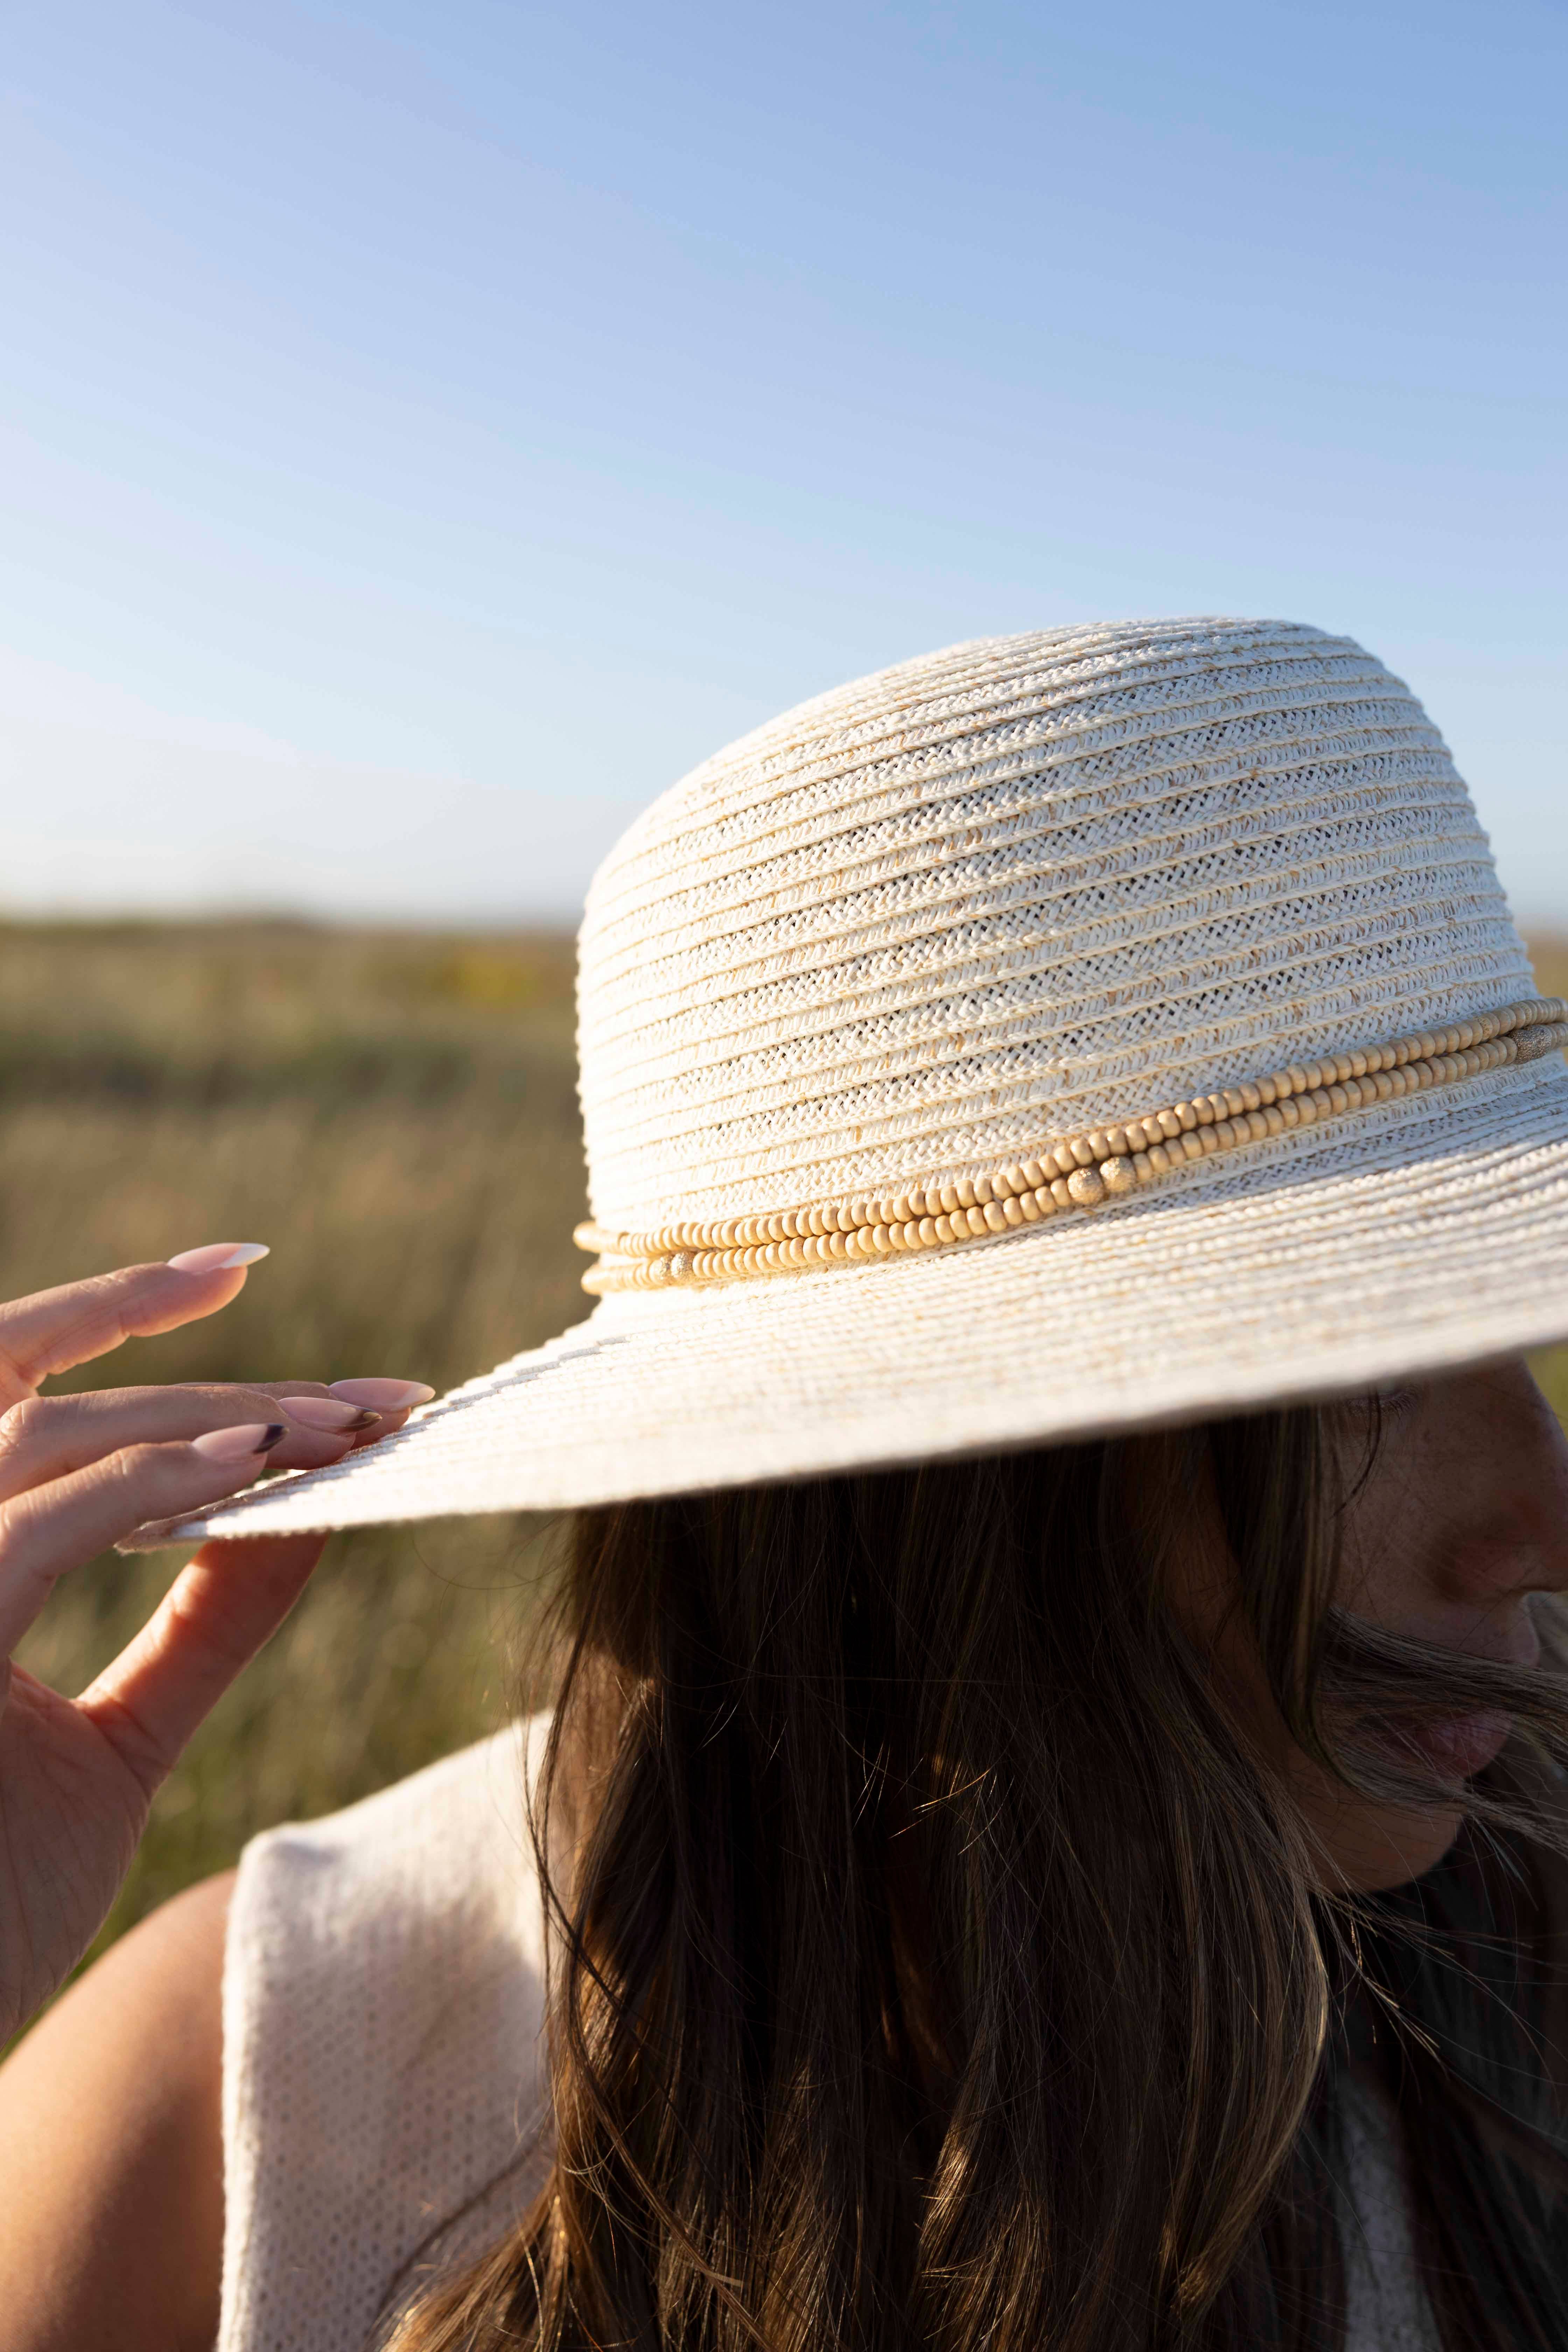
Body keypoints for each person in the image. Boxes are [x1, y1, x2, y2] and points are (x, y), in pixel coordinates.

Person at [2, 617, 1568, 2352]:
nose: (1544, 1519)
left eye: (1518, 1318)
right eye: (1348, 1365)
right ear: (916, 1494)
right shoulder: (245, 2101)